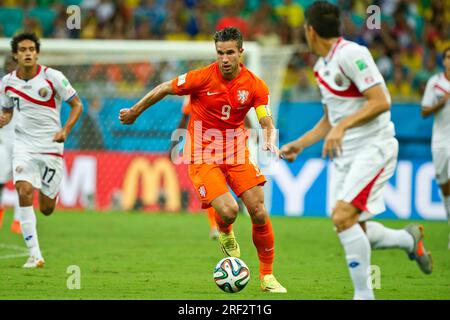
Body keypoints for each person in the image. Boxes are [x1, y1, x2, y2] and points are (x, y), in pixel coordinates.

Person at [280, 1, 432, 300]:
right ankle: (407, 239)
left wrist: (342, 127)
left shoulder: (352, 54)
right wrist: (301, 143)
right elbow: (329, 120)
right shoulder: (321, 67)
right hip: (346, 154)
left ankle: (363, 296)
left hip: (373, 147)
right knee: (349, 224)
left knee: (342, 217)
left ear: (311, 31)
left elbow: (381, 100)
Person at [120, 27, 287, 293]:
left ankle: (267, 276)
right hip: (202, 154)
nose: (225, 58)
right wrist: (135, 112)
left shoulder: (255, 84)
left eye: (230, 52)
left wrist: (268, 138)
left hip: (236, 151)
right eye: (220, 53)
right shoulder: (201, 78)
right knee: (229, 210)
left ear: (240, 53)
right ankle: (225, 230)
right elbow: (164, 87)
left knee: (258, 210)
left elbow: (264, 116)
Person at [0, 32, 83, 268]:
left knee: (46, 209)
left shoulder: (52, 77)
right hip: (23, 146)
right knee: (23, 190)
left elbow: (77, 104)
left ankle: (51, 195)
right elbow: (8, 111)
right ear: (15, 55)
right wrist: (4, 119)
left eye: (31, 49)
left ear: (37, 53)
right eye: (23, 50)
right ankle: (35, 254)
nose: (27, 53)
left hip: (51, 146)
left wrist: (65, 129)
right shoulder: (7, 82)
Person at [171, 95, 220, 240]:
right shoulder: (193, 91)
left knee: (219, 186)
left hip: (224, 142)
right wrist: (174, 143)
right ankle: (214, 225)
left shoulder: (226, 87)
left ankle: (221, 223)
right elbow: (184, 118)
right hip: (200, 145)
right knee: (208, 186)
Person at [421, 46, 450, 249]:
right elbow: (424, 111)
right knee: (444, 186)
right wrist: (440, 103)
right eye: (448, 56)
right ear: (443, 61)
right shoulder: (435, 82)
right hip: (440, 140)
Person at [0, 54, 21, 234]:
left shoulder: (29, 85)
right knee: (0, 179)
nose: (9, 67)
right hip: (3, 139)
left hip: (24, 140)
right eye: (7, 64)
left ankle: (18, 221)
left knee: (23, 181)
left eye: (12, 64)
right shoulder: (2, 85)